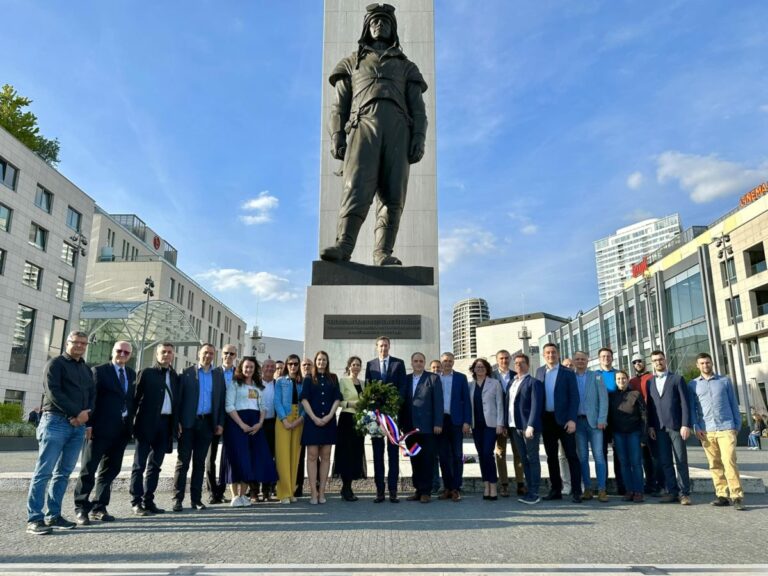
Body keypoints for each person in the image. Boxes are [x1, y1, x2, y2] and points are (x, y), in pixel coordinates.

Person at [320, 2, 428, 266]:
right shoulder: (350, 63)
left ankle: (383, 253)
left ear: (393, 29)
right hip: (362, 127)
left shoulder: (406, 67)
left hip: (398, 132)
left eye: (385, 22)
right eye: (375, 22)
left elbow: (418, 108)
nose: (380, 25)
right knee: (356, 187)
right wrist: (336, 134)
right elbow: (338, 105)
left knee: (393, 195)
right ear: (367, 28)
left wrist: (419, 137)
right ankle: (344, 247)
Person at [26, 331, 95, 535]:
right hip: (55, 422)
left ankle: (53, 515)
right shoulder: (55, 364)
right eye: (76, 342)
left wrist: (85, 415)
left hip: (77, 427)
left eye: (84, 343)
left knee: (63, 473)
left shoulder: (86, 368)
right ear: (68, 343)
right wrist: (76, 413)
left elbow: (92, 394)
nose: (80, 346)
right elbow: (53, 392)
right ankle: (35, 518)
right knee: (44, 472)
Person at [74, 341, 136, 524]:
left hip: (121, 430)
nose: (122, 354)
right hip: (99, 429)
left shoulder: (131, 374)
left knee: (110, 470)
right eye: (119, 351)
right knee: (89, 469)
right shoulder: (99, 371)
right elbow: (90, 397)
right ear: (113, 351)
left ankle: (99, 507)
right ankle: (81, 508)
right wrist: (89, 424)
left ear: (130, 355)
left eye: (126, 352)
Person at [173, 344, 227, 512]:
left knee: (199, 464)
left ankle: (196, 499)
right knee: (183, 462)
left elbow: (221, 401)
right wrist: (178, 421)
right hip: (188, 424)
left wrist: (220, 423)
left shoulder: (218, 375)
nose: (208, 356)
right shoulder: (186, 372)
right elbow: (178, 400)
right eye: (205, 353)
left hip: (207, 424)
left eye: (211, 353)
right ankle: (177, 499)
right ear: (199, 354)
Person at [689, 352, 745, 510]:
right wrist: (696, 427)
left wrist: (737, 425)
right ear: (697, 365)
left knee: (729, 462)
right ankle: (722, 494)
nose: (705, 365)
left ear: (712, 363)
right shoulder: (693, 385)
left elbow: (734, 403)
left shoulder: (724, 381)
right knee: (714, 464)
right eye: (702, 363)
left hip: (726, 427)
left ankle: (737, 496)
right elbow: (693, 408)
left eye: (707, 362)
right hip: (706, 430)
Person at [130, 342, 178, 516]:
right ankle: (136, 501)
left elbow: (177, 403)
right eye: (163, 352)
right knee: (139, 465)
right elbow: (135, 399)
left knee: (155, 465)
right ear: (157, 354)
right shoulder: (146, 373)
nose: (166, 355)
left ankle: (148, 500)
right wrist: (131, 424)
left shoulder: (174, 376)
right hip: (146, 423)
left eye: (169, 352)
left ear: (173, 355)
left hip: (165, 425)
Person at [223, 357, 278, 507]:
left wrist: (259, 423)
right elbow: (229, 406)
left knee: (250, 460)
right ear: (241, 368)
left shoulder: (257, 386)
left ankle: (243, 495)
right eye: (246, 367)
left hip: (254, 427)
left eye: (252, 367)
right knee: (236, 459)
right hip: (237, 425)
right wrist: (241, 424)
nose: (249, 370)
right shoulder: (234, 384)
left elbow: (263, 406)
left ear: (255, 369)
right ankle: (235, 495)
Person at [535, 343, 583, 503]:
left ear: (558, 354)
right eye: (547, 353)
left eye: (553, 352)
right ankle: (556, 489)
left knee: (571, 455)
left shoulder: (568, 372)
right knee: (551, 457)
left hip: (564, 420)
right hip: (547, 420)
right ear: (544, 355)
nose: (551, 355)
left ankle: (577, 491)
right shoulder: (539, 372)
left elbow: (574, 397)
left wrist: (572, 420)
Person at [646, 350, 692, 505]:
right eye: (655, 360)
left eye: (660, 359)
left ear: (665, 360)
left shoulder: (677, 379)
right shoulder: (650, 382)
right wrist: (651, 425)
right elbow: (650, 406)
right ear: (652, 363)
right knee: (665, 461)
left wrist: (686, 424)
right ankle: (672, 491)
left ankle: (684, 493)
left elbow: (685, 404)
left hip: (676, 426)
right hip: (659, 428)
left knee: (681, 460)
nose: (658, 362)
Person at [365, 336, 406, 502]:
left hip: (393, 416)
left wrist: (395, 405)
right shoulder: (370, 365)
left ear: (389, 347)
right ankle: (379, 491)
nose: (383, 348)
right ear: (377, 347)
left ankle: (393, 491)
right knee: (377, 454)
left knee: (393, 454)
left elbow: (403, 387)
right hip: (376, 416)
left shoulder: (398, 363)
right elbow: (368, 388)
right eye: (381, 346)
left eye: (386, 345)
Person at [301, 351, 342, 504]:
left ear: (327, 361)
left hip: (329, 422)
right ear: (315, 361)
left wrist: (330, 416)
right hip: (312, 422)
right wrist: (314, 418)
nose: (321, 362)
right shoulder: (308, 378)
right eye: (319, 359)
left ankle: (322, 492)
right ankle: (313, 492)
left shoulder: (333, 378)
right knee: (311, 456)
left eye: (324, 359)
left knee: (326, 457)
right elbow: (304, 400)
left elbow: (337, 398)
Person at [400, 352, 443, 503]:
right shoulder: (405, 380)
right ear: (411, 363)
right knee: (414, 459)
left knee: (427, 460)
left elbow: (438, 402)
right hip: (410, 428)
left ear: (424, 363)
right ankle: (418, 489)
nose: (418, 363)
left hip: (427, 428)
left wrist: (438, 423)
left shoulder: (433, 378)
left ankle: (426, 491)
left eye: (421, 361)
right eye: (415, 361)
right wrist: (399, 425)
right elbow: (402, 403)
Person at [571, 351, 609, 502]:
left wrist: (602, 419)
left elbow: (603, 399)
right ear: (574, 361)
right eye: (577, 359)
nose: (580, 361)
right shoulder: (570, 377)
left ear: (588, 360)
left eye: (583, 359)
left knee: (599, 456)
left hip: (594, 422)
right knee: (583, 458)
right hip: (577, 423)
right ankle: (587, 489)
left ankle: (602, 489)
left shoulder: (596, 376)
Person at [507, 354, 544, 505]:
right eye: (516, 363)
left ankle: (535, 492)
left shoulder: (534, 382)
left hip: (527, 427)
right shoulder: (512, 382)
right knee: (524, 459)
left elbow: (536, 405)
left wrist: (531, 425)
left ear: (528, 365)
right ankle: (529, 489)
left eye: (522, 363)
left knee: (532, 458)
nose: (519, 365)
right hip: (514, 426)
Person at [468, 358, 505, 500]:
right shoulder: (470, 385)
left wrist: (500, 424)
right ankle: (486, 485)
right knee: (481, 455)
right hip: (476, 426)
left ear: (487, 369)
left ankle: (493, 485)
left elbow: (500, 404)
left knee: (487, 453)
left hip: (491, 425)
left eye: (482, 367)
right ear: (474, 369)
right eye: (477, 367)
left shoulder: (495, 383)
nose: (480, 369)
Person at [435, 352, 470, 502]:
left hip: (456, 421)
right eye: (445, 361)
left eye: (450, 361)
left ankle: (456, 488)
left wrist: (467, 421)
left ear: (453, 362)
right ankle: (447, 488)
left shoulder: (461, 378)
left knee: (457, 456)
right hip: (440, 421)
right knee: (443, 456)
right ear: (441, 363)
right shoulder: (435, 378)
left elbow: (466, 401)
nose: (447, 363)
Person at [609, 370, 646, 503]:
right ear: (615, 381)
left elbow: (644, 416)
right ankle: (629, 490)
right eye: (618, 379)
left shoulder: (635, 394)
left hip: (634, 433)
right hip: (618, 434)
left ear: (627, 379)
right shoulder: (611, 396)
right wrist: (610, 436)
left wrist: (643, 436)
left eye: (623, 378)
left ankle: (638, 491)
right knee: (624, 463)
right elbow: (610, 417)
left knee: (636, 463)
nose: (621, 381)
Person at [492, 349, 525, 497]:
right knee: (500, 453)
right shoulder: (491, 376)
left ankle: (520, 483)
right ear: (497, 360)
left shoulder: (517, 375)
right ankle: (504, 484)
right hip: (499, 421)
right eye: (501, 359)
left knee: (518, 453)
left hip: (514, 421)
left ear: (510, 359)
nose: (504, 361)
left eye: (506, 358)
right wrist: (501, 423)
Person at [206, 344, 237, 504]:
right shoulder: (213, 372)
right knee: (210, 457)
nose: (229, 356)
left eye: (232, 353)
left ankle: (223, 488)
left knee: (228, 456)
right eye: (226, 353)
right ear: (221, 354)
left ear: (236, 355)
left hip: (233, 419)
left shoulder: (239, 374)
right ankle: (213, 492)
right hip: (215, 418)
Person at [629, 353, 662, 495]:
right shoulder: (631, 381)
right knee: (644, 457)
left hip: (652, 420)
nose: (637, 363)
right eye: (635, 362)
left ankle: (659, 484)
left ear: (645, 362)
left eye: (640, 361)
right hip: (638, 423)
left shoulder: (652, 378)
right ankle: (649, 483)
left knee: (656, 455)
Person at [275, 355, 305, 503]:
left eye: (296, 364)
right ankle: (283, 492)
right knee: (283, 456)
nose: (293, 366)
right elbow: (277, 401)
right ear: (287, 365)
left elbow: (305, 404)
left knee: (295, 456)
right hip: (284, 419)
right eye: (290, 364)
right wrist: (284, 420)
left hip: (298, 419)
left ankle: (291, 490)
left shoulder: (302, 383)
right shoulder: (280, 381)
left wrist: (300, 419)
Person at [336, 356, 367, 502]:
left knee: (356, 453)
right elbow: (339, 401)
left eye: (358, 365)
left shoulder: (363, 383)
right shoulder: (343, 381)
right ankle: (346, 487)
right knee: (346, 453)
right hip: (347, 420)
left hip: (359, 421)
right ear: (349, 366)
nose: (355, 367)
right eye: (353, 364)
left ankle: (348, 487)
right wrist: (351, 404)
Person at [595, 347, 624, 495]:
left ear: (612, 358)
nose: (606, 358)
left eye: (608, 356)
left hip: (616, 418)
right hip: (600, 419)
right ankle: (603, 485)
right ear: (599, 359)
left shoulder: (618, 374)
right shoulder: (595, 375)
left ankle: (622, 485)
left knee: (619, 452)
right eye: (603, 356)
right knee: (601, 452)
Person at [252, 358, 278, 502]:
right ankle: (254, 491)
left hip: (272, 424)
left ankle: (267, 490)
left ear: (275, 369)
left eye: (272, 367)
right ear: (262, 368)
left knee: (270, 458)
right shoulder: (255, 384)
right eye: (267, 366)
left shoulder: (278, 384)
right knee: (256, 457)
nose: (269, 369)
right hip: (257, 424)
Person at [294, 357, 314, 497]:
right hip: (298, 422)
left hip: (312, 421)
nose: (306, 367)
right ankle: (298, 485)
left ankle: (316, 484)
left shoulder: (315, 381)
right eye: (304, 364)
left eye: (309, 365)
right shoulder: (295, 382)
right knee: (299, 455)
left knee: (314, 455)